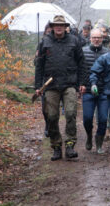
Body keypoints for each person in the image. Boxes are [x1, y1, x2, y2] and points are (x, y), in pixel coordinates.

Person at [35, 15, 86, 161]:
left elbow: (81, 63)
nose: (58, 27)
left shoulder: (74, 41)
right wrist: (38, 86)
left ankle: (70, 145)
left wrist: (82, 83)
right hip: (50, 86)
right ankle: (56, 146)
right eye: (56, 25)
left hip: (70, 84)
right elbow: (39, 66)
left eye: (61, 25)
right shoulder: (45, 42)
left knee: (70, 113)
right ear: (52, 27)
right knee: (51, 116)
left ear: (65, 27)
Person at [82, 29, 109, 154]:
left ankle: (99, 143)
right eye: (94, 37)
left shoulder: (108, 53)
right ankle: (89, 136)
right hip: (87, 90)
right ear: (90, 39)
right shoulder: (83, 51)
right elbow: (80, 70)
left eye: (99, 37)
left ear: (102, 39)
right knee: (87, 118)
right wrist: (80, 84)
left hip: (104, 91)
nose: (96, 40)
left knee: (103, 119)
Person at [35, 23, 52, 138]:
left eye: (52, 31)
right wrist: (37, 57)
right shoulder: (41, 44)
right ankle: (47, 124)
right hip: (44, 80)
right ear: (45, 31)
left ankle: (52, 127)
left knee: (52, 107)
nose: (50, 33)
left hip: (54, 80)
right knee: (44, 107)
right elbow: (36, 65)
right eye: (48, 31)